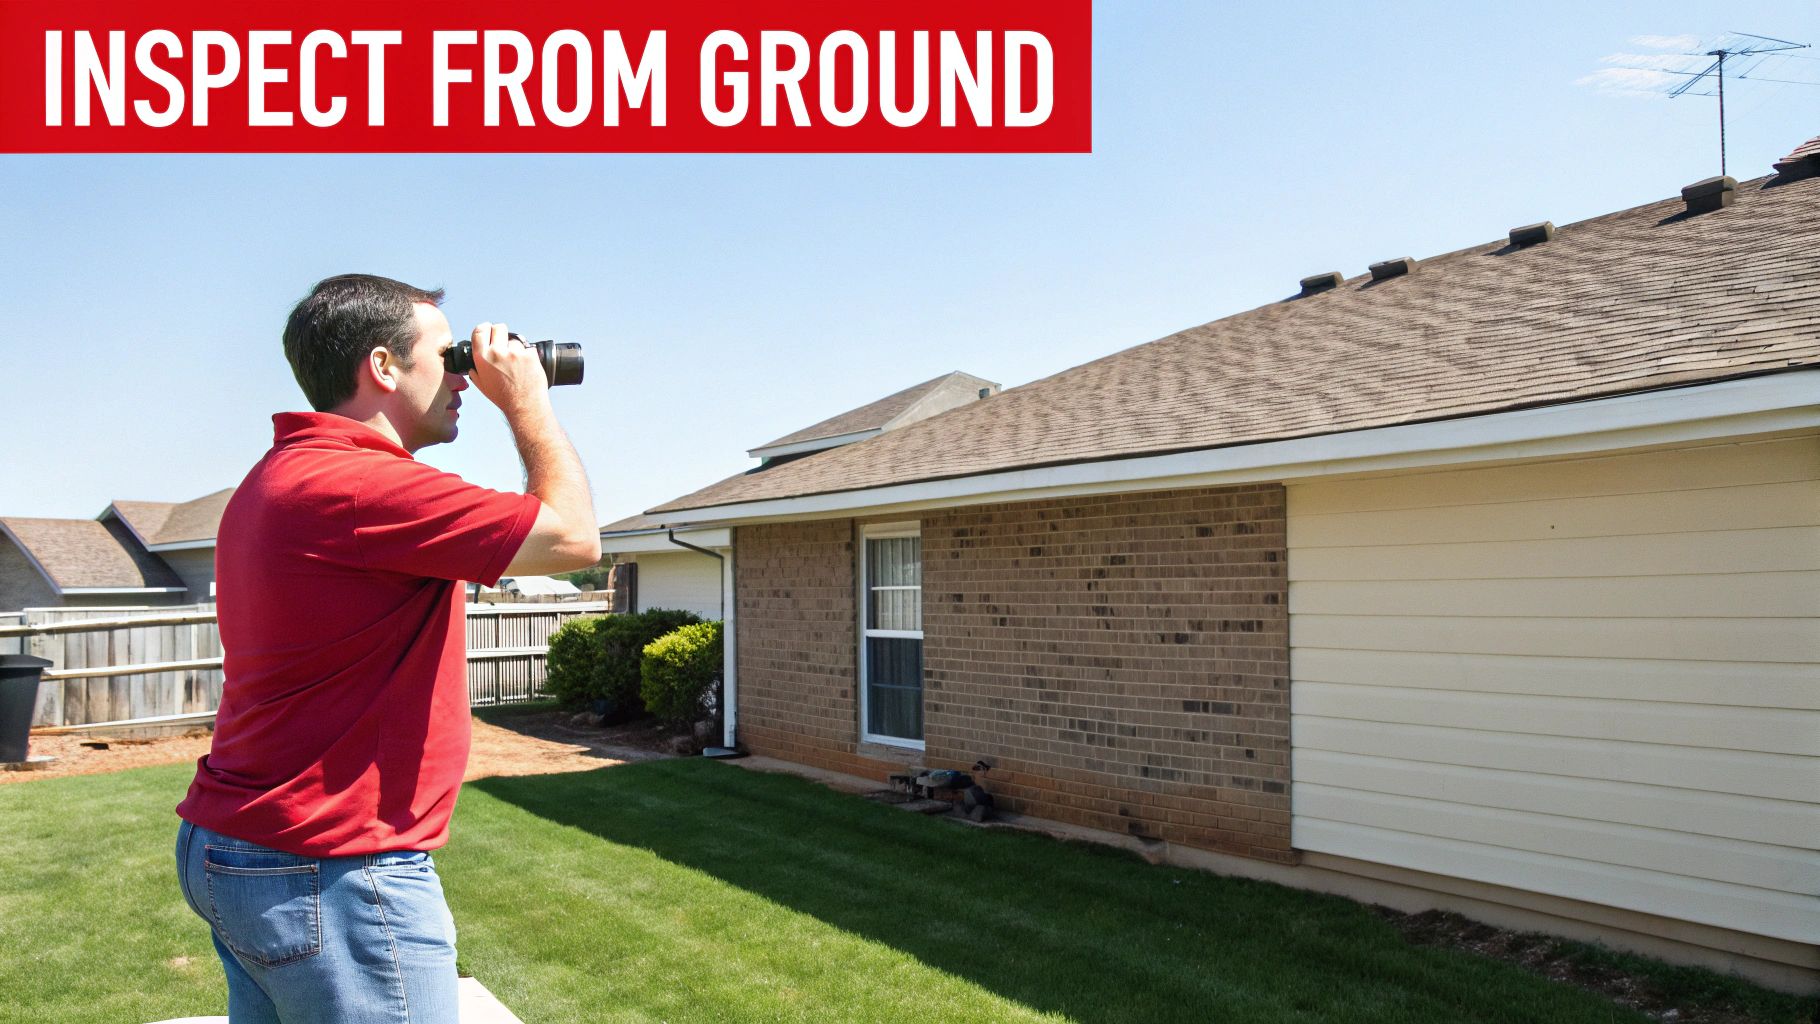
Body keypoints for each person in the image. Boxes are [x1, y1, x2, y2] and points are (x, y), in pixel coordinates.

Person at [172, 274, 599, 1023]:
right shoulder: (361, 487)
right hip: (330, 864)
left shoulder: (285, 476)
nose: (467, 374)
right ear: (383, 367)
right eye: (449, 354)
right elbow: (573, 536)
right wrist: (527, 400)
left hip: (247, 845)